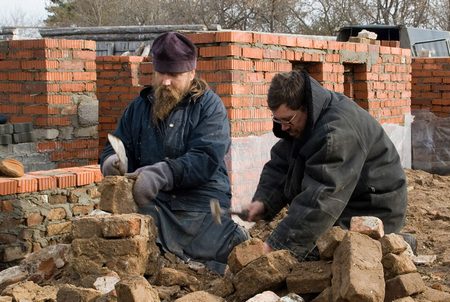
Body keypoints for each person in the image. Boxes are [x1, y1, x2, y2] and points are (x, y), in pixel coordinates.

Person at [100, 32, 248, 274]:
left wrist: (162, 173)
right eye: (161, 73)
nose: (166, 82)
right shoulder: (138, 108)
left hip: (199, 204)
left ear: (191, 73)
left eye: (174, 75)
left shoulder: (210, 107)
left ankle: (232, 241)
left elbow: (205, 158)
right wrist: (111, 161)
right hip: (155, 204)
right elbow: (114, 143)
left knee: (211, 265)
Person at [246, 70, 408, 259]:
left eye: (287, 119)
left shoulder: (335, 133)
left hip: (373, 208)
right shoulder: (307, 120)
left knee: (313, 256)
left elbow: (321, 197)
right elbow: (281, 165)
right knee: (307, 248)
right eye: (277, 119)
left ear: (305, 107)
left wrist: (278, 245)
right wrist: (263, 201)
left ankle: (391, 242)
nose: (282, 127)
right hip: (346, 199)